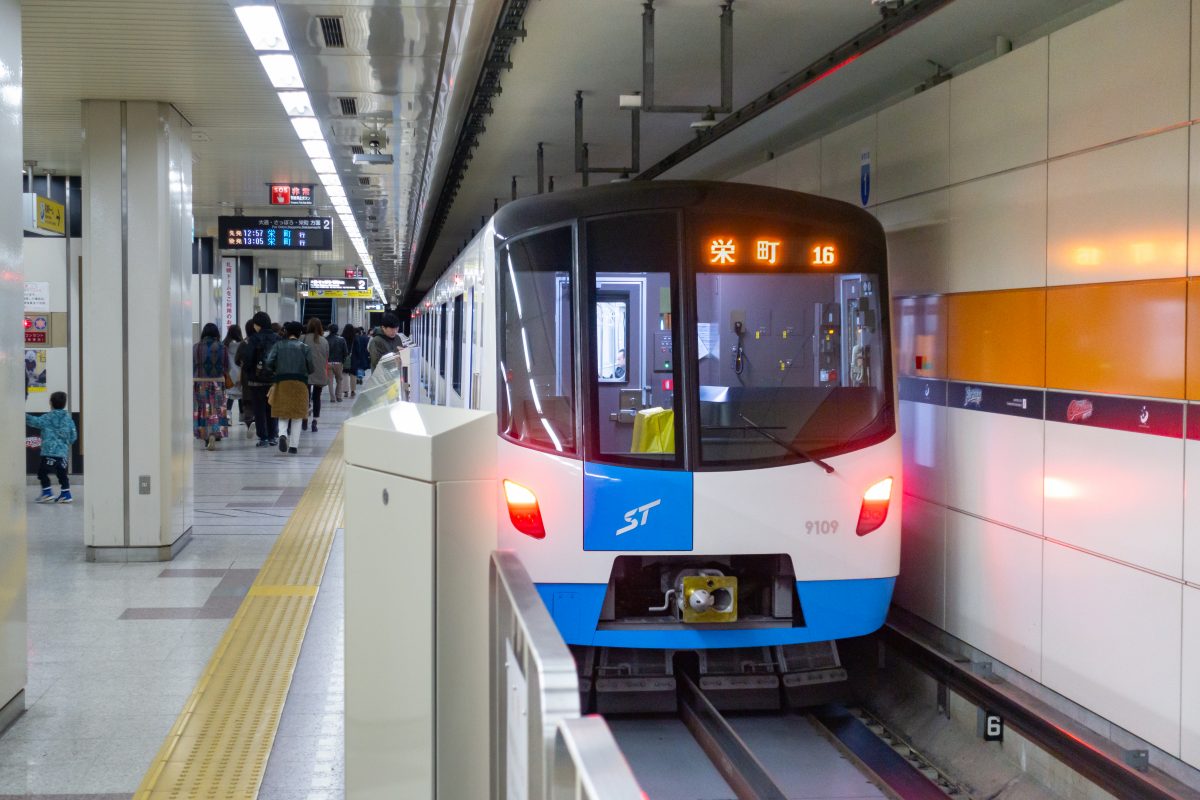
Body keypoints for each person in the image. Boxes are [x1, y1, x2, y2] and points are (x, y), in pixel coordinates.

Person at [266, 321, 315, 455]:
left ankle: (282, 435)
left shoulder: (278, 346)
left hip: (282, 382)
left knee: (283, 413)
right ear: (299, 333)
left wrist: (276, 370)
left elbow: (268, 363)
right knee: (298, 415)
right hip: (300, 383)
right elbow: (311, 368)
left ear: (286, 332)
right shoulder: (305, 348)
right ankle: (293, 446)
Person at [27, 391, 77, 504]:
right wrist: (65, 443)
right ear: (64, 403)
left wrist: (23, 415)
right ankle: (66, 494)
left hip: (48, 453)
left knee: (42, 473)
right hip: (62, 455)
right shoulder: (69, 419)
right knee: (62, 474)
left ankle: (47, 492)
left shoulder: (47, 418)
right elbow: (73, 437)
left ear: (51, 403)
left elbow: (35, 422)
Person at [243, 311, 280, 447]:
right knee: (272, 408)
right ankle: (272, 436)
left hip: (256, 381)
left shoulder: (254, 339)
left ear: (257, 325)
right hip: (273, 381)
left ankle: (263, 438)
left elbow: (247, 360)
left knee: (259, 410)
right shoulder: (277, 338)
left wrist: (249, 372)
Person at [193, 322, 230, 451]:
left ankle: (206, 436)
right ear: (216, 334)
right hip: (217, 382)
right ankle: (214, 433)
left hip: (199, 382)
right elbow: (227, 367)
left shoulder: (195, 347)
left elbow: (192, 366)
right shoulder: (222, 347)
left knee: (203, 410)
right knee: (216, 409)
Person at [301, 318, 329, 432]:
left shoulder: (302, 339)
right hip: (320, 372)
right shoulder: (324, 341)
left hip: (305, 372)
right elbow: (327, 356)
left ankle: (304, 419)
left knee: (305, 397)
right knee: (317, 397)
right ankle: (315, 422)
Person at [234, 318, 257, 438]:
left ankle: (250, 422)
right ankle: (258, 422)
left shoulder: (244, 343)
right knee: (260, 401)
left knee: (247, 402)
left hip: (246, 376)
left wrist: (243, 365)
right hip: (260, 375)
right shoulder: (260, 341)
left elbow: (237, 360)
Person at [223, 324, 244, 425]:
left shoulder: (225, 345)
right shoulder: (243, 345)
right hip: (241, 374)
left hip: (230, 375)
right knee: (241, 395)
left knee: (230, 396)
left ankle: (228, 417)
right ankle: (243, 416)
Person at [327, 325, 348, 403]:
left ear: (329, 330)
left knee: (330, 381)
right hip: (338, 363)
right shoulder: (342, 339)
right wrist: (343, 360)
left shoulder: (325, 339)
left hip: (328, 363)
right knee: (339, 380)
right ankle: (338, 396)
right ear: (337, 330)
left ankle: (332, 398)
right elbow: (345, 352)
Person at [340, 324, 358, 399]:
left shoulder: (341, 338)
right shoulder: (355, 339)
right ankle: (353, 391)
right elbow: (358, 350)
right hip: (353, 358)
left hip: (344, 358)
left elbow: (340, 350)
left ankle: (345, 391)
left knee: (344, 374)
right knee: (353, 375)